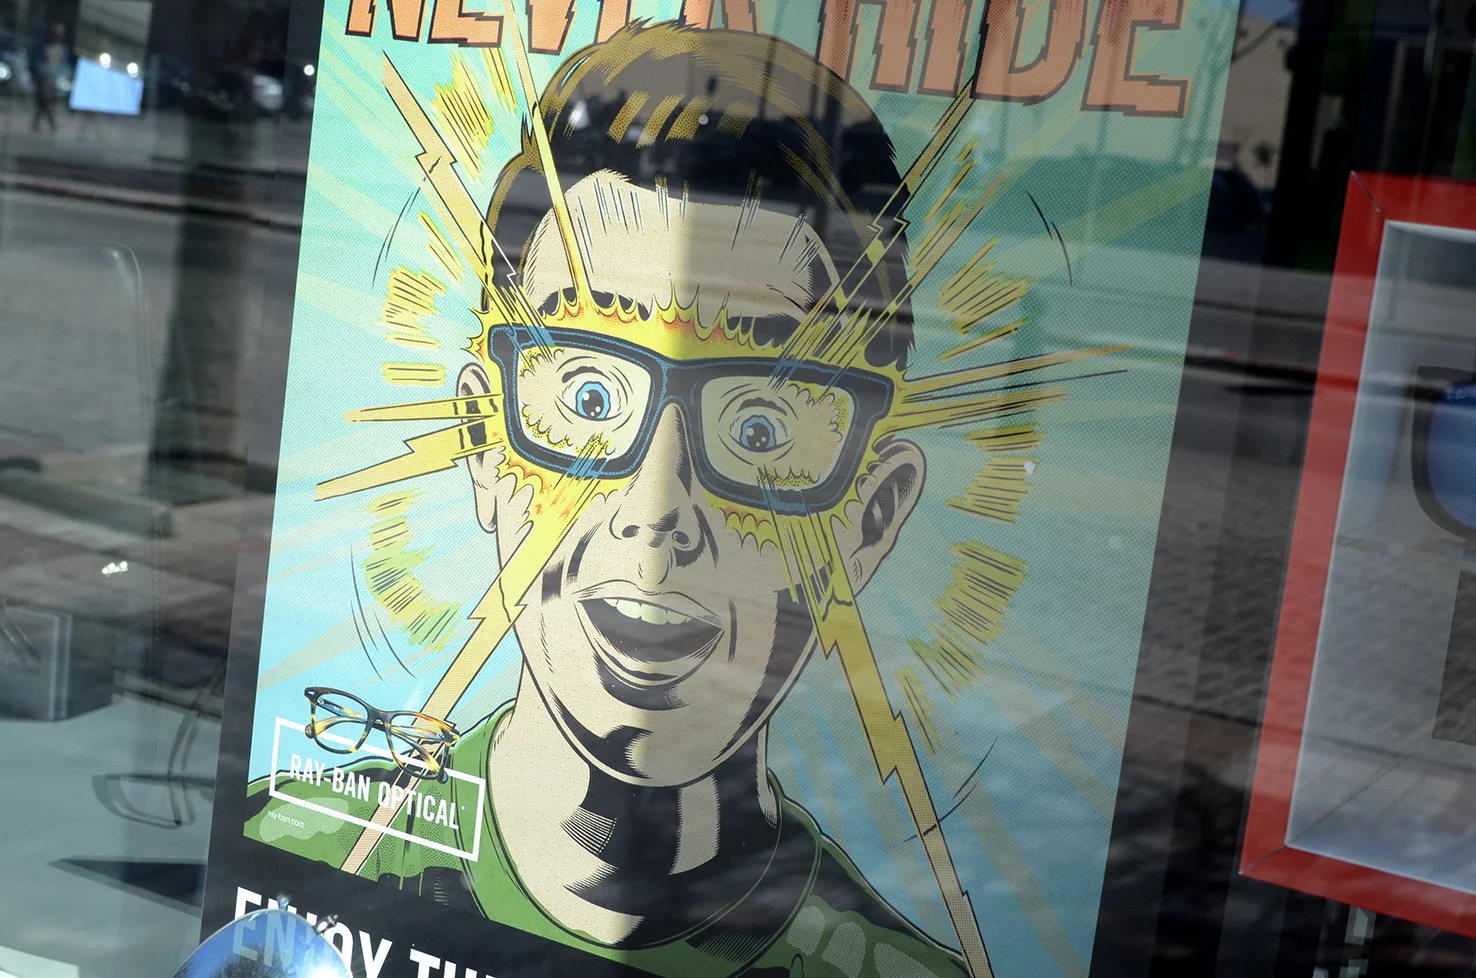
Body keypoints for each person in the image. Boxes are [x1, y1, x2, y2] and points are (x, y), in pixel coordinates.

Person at [249, 22, 966, 977]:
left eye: (758, 430)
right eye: (589, 399)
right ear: (484, 440)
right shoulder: (293, 856)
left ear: (869, 519)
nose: (655, 515)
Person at [27, 22, 68, 133]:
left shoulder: (62, 48)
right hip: (43, 78)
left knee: (43, 102)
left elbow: (64, 65)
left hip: (55, 79)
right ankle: (52, 124)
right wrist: (36, 73)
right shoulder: (41, 46)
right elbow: (33, 62)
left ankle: (36, 123)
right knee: (47, 100)